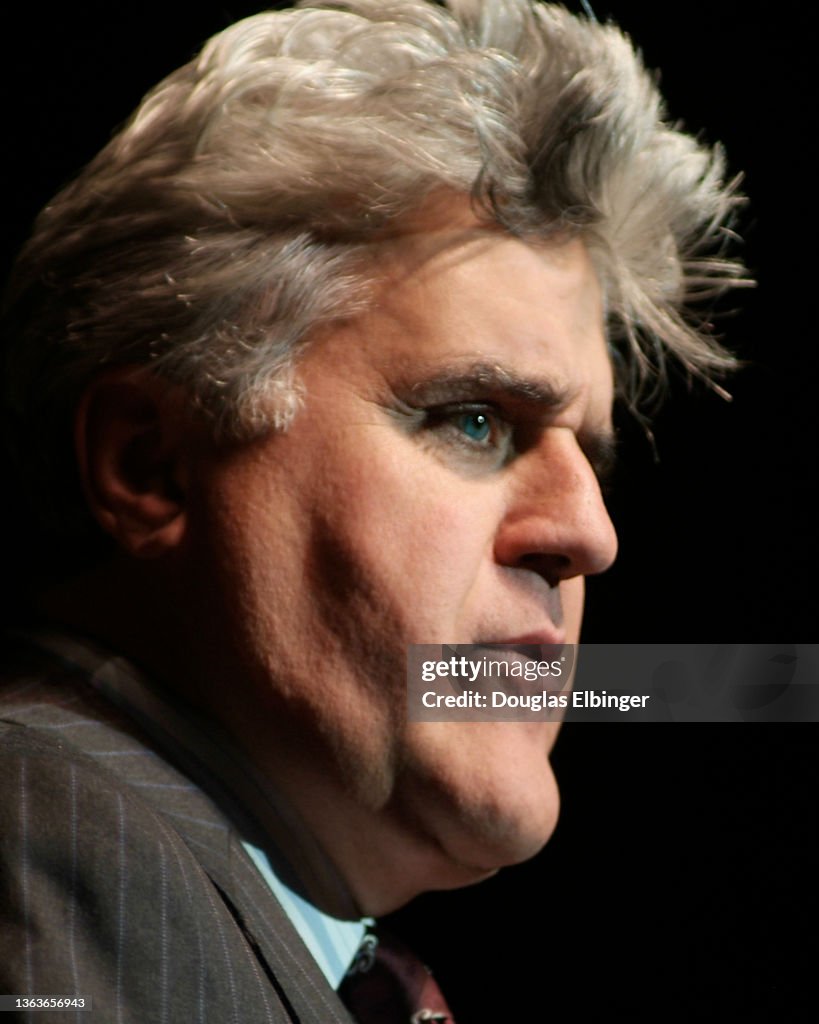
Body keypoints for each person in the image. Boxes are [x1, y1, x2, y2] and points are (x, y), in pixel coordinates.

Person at [0, 1, 745, 1020]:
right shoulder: (48, 848)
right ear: (151, 467)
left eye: (592, 457)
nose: (590, 535)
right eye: (475, 422)